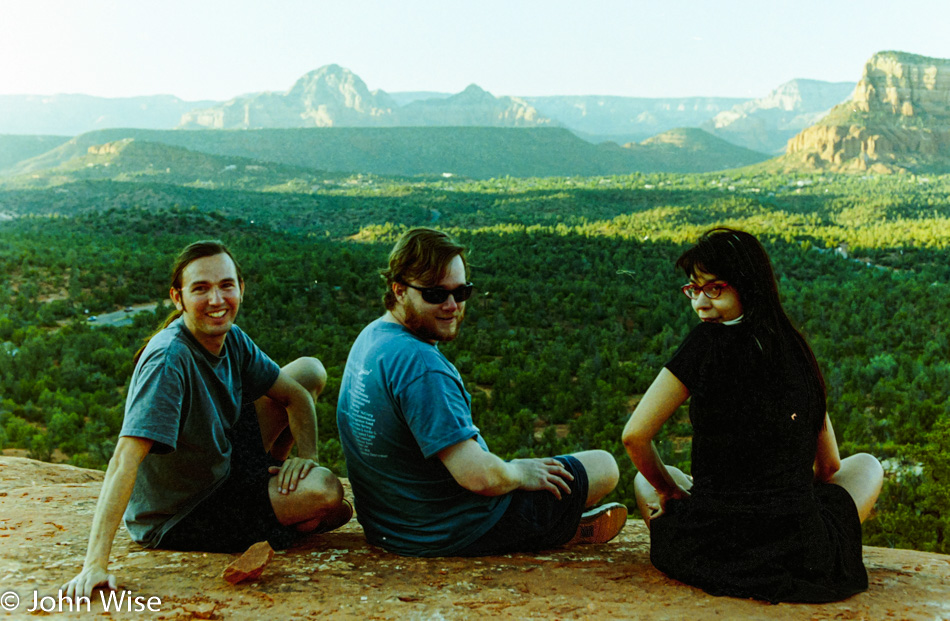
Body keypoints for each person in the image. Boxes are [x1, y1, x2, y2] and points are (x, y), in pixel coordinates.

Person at [63, 240, 351, 599]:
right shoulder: (170, 361)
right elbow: (124, 459)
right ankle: (284, 510)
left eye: (226, 285)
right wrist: (94, 564)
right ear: (177, 297)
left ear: (240, 289)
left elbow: (296, 394)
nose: (216, 300)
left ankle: (276, 491)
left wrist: (306, 459)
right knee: (326, 492)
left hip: (224, 460)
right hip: (184, 510)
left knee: (310, 370)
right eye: (200, 288)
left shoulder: (231, 338)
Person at [622, 227, 884, 603]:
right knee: (868, 465)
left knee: (656, 480)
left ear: (748, 285)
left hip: (711, 550)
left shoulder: (704, 344)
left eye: (715, 289)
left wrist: (668, 490)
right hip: (801, 552)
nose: (700, 304)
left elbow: (635, 436)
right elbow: (829, 468)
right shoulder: (797, 348)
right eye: (693, 289)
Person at [337, 227, 626, 557]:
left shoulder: (372, 337)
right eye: (435, 294)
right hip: (457, 528)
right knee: (604, 467)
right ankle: (564, 529)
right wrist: (519, 470)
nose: (452, 305)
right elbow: (480, 478)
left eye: (461, 293)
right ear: (399, 290)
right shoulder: (421, 366)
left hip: (389, 526)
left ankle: (562, 522)